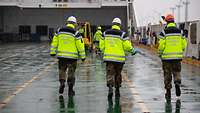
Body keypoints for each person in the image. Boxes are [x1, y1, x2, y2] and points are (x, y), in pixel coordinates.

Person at [100, 17, 137, 98]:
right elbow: (127, 46)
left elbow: (101, 45)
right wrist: (132, 51)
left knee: (110, 73)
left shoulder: (105, 33)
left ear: (112, 24)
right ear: (119, 25)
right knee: (118, 74)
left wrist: (104, 51)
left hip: (109, 58)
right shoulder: (122, 34)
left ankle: (110, 87)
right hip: (119, 60)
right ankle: (117, 89)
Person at [50, 16, 86, 96]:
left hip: (62, 56)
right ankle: (70, 90)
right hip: (72, 58)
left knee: (62, 71)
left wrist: (52, 52)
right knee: (71, 73)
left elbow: (54, 42)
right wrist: (83, 56)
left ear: (67, 22)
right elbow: (80, 45)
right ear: (74, 24)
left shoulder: (59, 31)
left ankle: (62, 83)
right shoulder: (76, 33)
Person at [158, 14, 187, 101]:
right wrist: (180, 51)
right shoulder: (180, 32)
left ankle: (168, 93)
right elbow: (184, 44)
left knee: (167, 75)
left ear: (166, 22)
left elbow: (161, 45)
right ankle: (177, 82)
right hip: (177, 58)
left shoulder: (164, 32)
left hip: (166, 58)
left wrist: (160, 53)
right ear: (173, 21)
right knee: (177, 72)